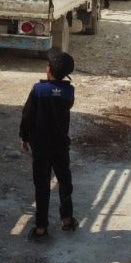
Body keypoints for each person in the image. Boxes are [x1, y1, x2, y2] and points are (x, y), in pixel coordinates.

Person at [20, 48, 76, 239]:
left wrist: (24, 136)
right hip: (60, 146)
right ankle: (67, 218)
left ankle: (41, 227)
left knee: (42, 186)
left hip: (40, 147)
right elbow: (64, 100)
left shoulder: (38, 90)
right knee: (64, 181)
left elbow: (27, 115)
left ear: (49, 70)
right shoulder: (69, 91)